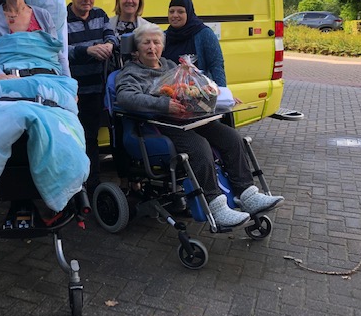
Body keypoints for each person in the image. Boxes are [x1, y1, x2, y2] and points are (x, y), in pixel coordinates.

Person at [115, 22, 284, 228]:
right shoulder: (131, 72)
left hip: (189, 118)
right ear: (136, 48)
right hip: (159, 125)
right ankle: (216, 205)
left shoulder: (170, 65)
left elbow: (193, 88)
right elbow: (125, 97)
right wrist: (164, 104)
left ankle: (247, 194)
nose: (152, 47)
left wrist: (220, 96)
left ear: (162, 46)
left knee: (231, 137)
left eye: (156, 42)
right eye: (146, 43)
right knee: (199, 146)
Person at [67, 0, 118, 193]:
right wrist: (87, 51)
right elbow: (60, 50)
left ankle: (93, 185)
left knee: (91, 139)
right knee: (71, 140)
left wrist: (109, 45)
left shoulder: (100, 15)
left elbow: (112, 36)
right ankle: (73, 188)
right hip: (71, 92)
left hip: (96, 90)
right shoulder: (61, 18)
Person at [163, 0, 226, 86]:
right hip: (170, 91)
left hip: (200, 90)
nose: (175, 15)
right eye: (171, 11)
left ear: (189, 13)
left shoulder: (204, 34)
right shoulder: (163, 36)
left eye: (180, 12)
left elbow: (216, 65)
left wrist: (222, 91)